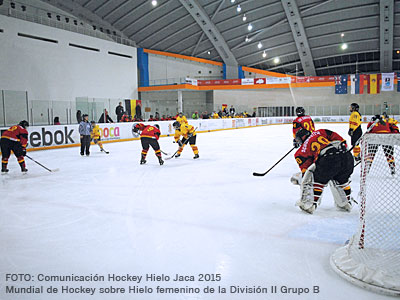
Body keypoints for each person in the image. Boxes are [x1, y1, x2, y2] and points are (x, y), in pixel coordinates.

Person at [292, 128, 354, 214]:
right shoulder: (320, 131)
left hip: (328, 159)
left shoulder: (300, 152)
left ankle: (310, 205)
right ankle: (346, 203)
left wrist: (299, 179)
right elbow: (341, 140)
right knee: (342, 179)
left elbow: (307, 172)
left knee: (317, 180)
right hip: (347, 156)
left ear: (302, 138)